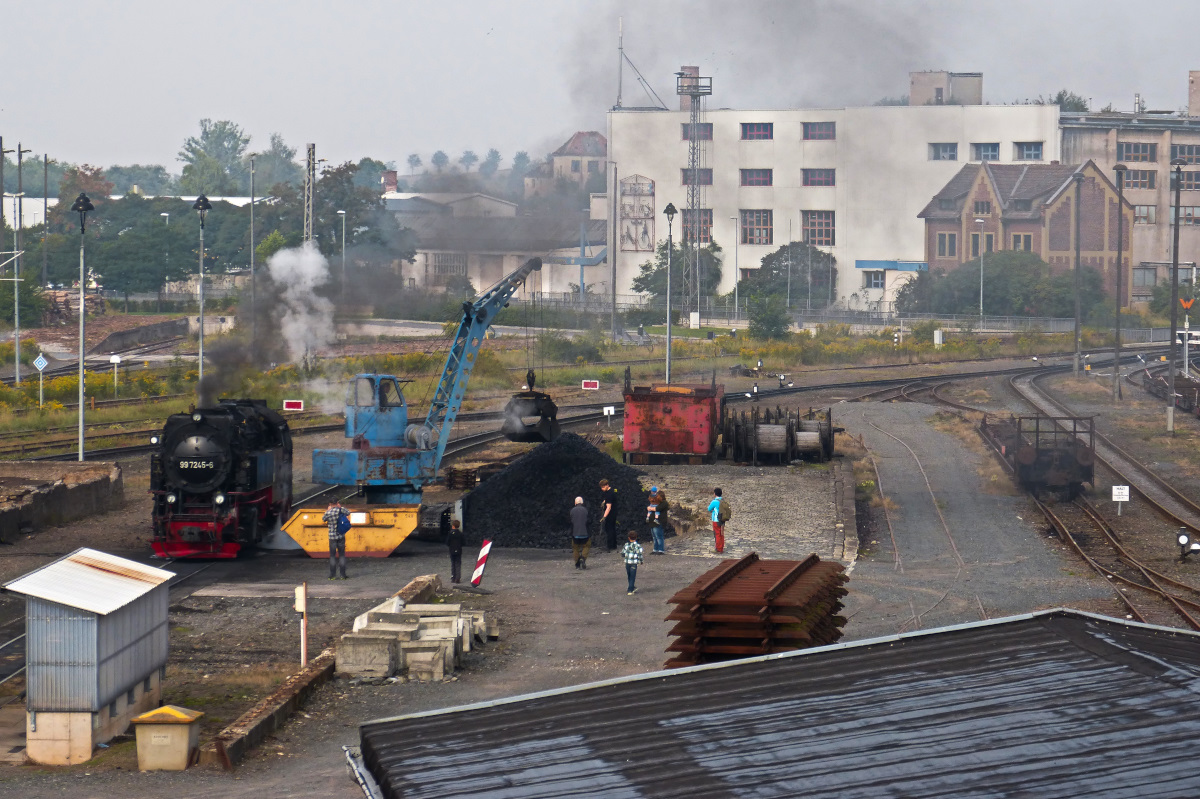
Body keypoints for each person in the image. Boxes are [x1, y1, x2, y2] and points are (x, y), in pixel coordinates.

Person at [323, 500, 349, 579]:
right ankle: (343, 575)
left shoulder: (328, 512)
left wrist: (328, 510)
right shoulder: (341, 510)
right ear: (337, 502)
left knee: (332, 556)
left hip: (332, 537)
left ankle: (332, 576)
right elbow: (348, 512)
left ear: (330, 504)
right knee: (341, 556)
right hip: (341, 536)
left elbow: (323, 519)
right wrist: (340, 507)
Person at [570, 496, 591, 569]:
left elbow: (571, 522)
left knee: (575, 548)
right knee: (587, 546)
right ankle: (583, 557)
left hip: (575, 533)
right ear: (582, 503)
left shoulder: (572, 510)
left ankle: (577, 564)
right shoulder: (585, 510)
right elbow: (589, 521)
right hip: (585, 533)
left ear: (575, 502)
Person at [646, 486, 668, 555]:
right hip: (652, 521)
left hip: (659, 522)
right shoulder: (657, 503)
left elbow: (657, 509)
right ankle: (655, 549)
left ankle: (661, 550)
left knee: (659, 536)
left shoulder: (664, 503)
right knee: (654, 536)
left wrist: (650, 508)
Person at [706, 488, 729, 554]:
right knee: (721, 534)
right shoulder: (723, 501)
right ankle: (721, 547)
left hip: (716, 520)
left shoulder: (714, 501)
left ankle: (718, 549)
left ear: (715, 494)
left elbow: (709, 509)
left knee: (717, 534)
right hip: (722, 519)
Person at [621, 530, 644, 595]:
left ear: (629, 538)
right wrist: (641, 561)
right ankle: (630, 590)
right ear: (636, 537)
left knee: (629, 575)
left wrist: (625, 555)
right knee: (632, 576)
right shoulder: (638, 546)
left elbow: (622, 553)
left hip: (627, 562)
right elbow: (640, 554)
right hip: (634, 563)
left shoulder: (626, 545)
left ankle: (631, 586)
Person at [600, 478, 618, 551]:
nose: (602, 489)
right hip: (614, 513)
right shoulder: (611, 491)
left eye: (603, 487)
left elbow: (609, 507)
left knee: (609, 529)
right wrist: (604, 501)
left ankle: (610, 546)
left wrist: (604, 516)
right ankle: (614, 545)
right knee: (613, 529)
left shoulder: (609, 494)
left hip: (610, 514)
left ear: (607, 485)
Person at [447, 518, 465, 583]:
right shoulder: (460, 534)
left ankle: (453, 577)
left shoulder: (450, 533)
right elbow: (463, 543)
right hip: (459, 550)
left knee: (453, 564)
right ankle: (458, 578)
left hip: (452, 550)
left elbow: (447, 542)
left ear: (453, 526)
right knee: (458, 564)